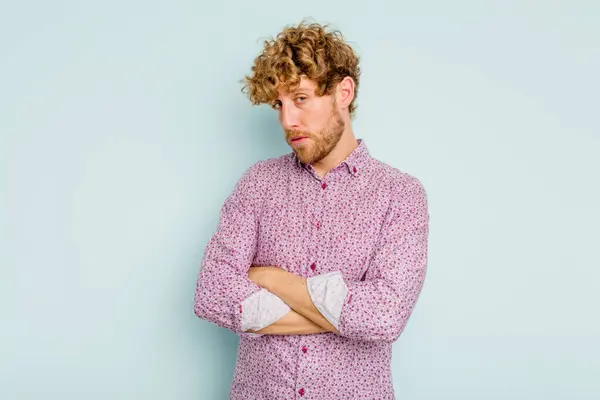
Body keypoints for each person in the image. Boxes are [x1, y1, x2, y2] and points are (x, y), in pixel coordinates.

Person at [194, 20, 429, 400]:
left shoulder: (400, 195)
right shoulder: (257, 184)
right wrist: (341, 316)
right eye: (279, 104)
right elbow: (212, 292)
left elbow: (385, 316)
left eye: (300, 99)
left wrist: (271, 279)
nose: (287, 121)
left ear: (343, 92)